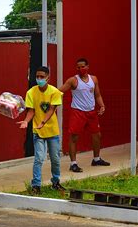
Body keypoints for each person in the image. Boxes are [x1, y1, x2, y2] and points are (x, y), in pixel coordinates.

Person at [17, 66, 65, 194]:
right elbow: (31, 111)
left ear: (48, 77)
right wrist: (26, 122)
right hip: (37, 131)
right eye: (37, 77)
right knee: (39, 158)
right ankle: (36, 185)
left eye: (42, 77)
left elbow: (51, 110)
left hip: (52, 131)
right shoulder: (31, 92)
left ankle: (55, 182)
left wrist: (43, 122)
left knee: (55, 158)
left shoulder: (54, 92)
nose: (39, 79)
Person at [59, 58, 109, 173]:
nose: (80, 69)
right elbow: (59, 92)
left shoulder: (94, 79)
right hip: (78, 111)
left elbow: (97, 95)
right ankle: (73, 164)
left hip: (91, 112)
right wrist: (47, 97)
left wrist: (102, 106)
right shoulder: (73, 80)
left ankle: (96, 159)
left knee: (97, 135)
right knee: (74, 137)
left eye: (82, 66)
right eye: (78, 67)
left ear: (87, 67)